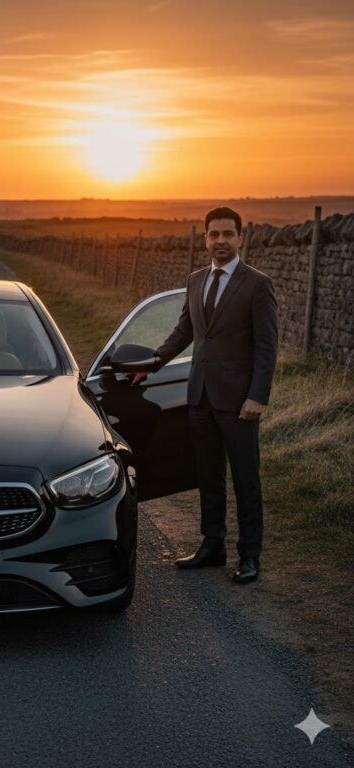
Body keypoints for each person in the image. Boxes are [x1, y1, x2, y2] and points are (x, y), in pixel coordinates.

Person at [135, 207, 278, 583]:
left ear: (240, 238)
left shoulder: (257, 284)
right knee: (207, 476)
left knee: (246, 479)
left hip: (239, 402)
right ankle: (212, 546)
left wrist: (257, 396)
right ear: (205, 239)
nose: (220, 241)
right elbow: (184, 331)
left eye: (227, 234)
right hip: (198, 396)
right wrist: (151, 363)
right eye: (213, 234)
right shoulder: (196, 280)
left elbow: (267, 347)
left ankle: (250, 556)